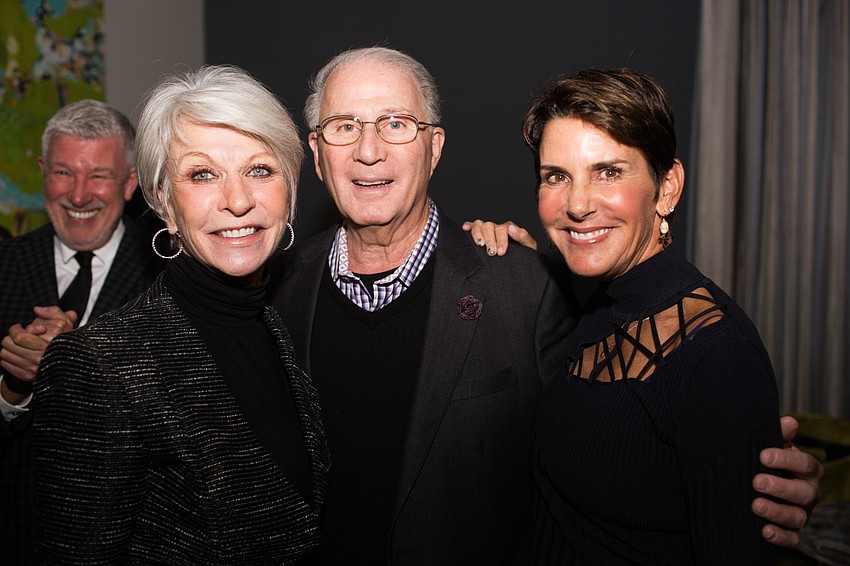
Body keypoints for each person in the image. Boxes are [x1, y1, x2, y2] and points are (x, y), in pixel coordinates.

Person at [270, 47, 818, 564]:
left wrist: (753, 473)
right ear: (317, 153)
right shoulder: (277, 290)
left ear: (434, 147)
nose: (578, 204)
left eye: (396, 123)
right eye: (557, 176)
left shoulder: (535, 291)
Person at [33, 65, 328, 564]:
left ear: (290, 188)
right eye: (202, 174)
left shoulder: (287, 324)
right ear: (164, 202)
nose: (238, 200)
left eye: (260, 169)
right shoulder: (100, 364)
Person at [517, 68, 782, 563]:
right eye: (557, 177)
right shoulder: (599, 306)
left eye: (609, 172)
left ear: (667, 187)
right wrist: (506, 263)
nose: (576, 204)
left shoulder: (717, 354)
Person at [0, 99, 163, 564]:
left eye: (98, 176)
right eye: (63, 173)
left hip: (129, 541)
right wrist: (14, 387)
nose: (77, 195)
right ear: (42, 172)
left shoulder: (168, 278)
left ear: (129, 182)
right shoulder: (5, 267)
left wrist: (67, 364)